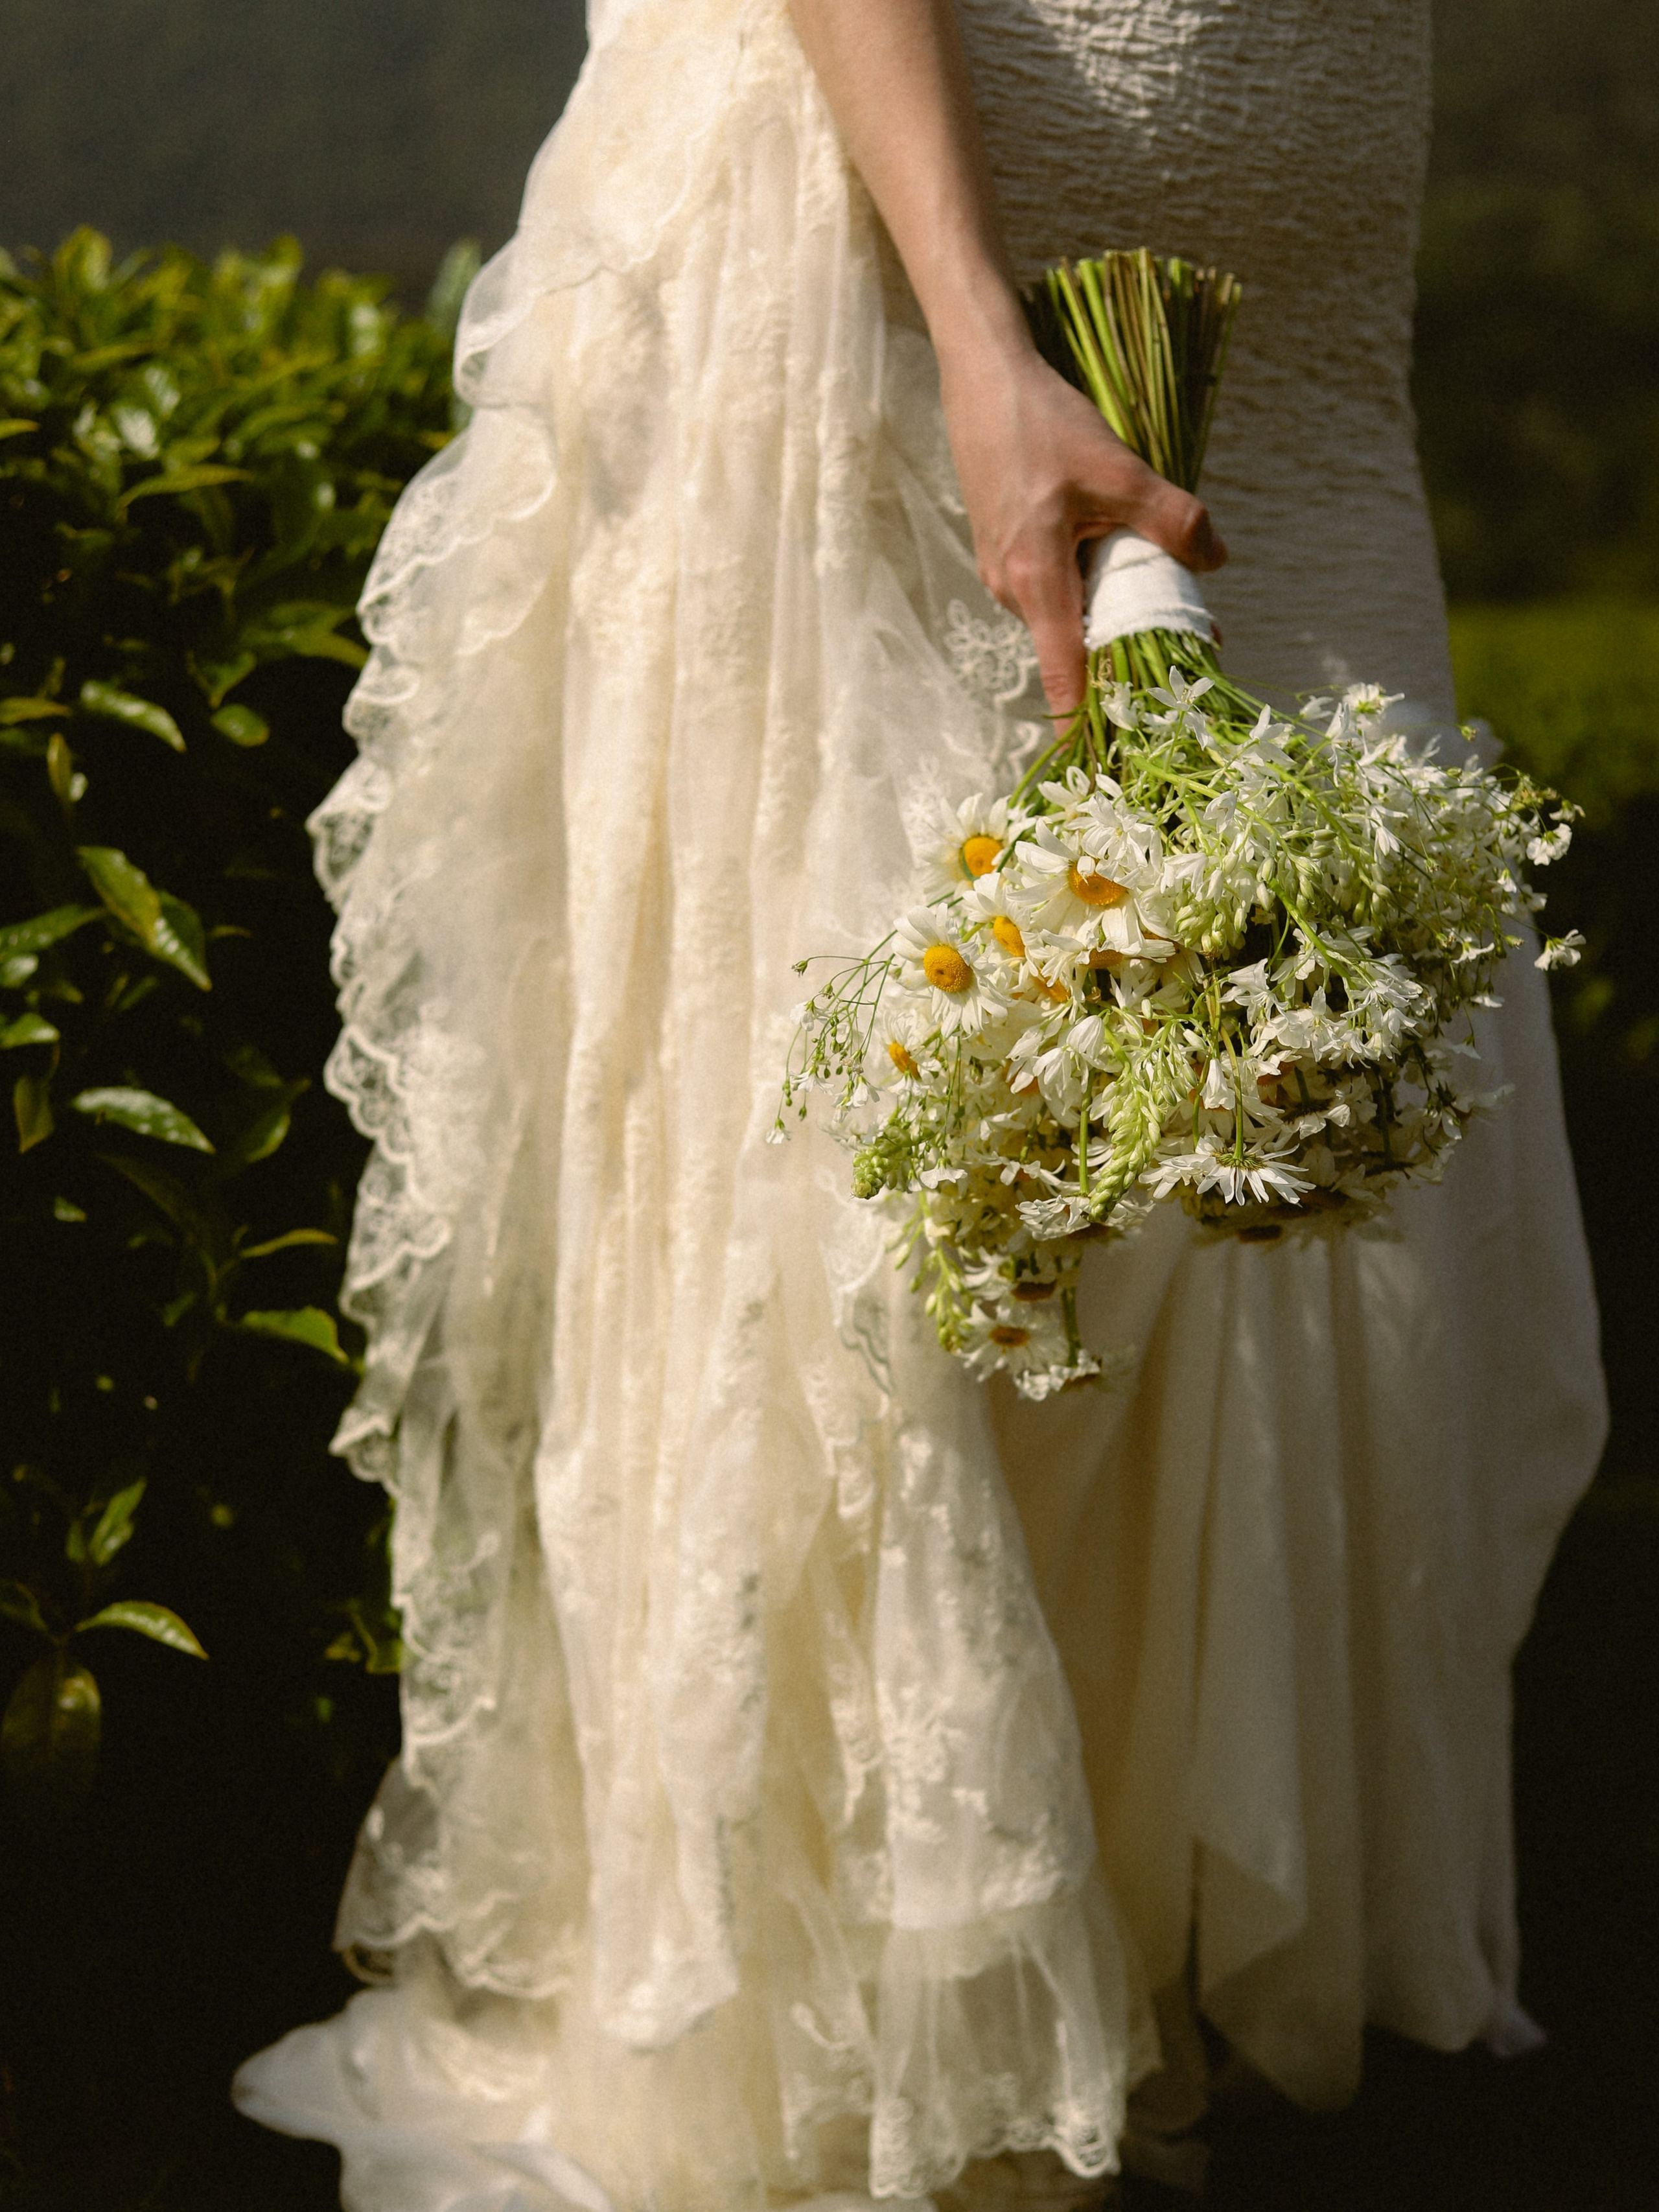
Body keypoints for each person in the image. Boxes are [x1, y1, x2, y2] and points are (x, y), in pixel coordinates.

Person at [234, 1, 1607, 2205]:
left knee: (1275, 1043)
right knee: (935, 1129)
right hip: (920, 245)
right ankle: (908, 2004)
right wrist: (979, 336)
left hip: (1317, 298)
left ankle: (1157, 1938)